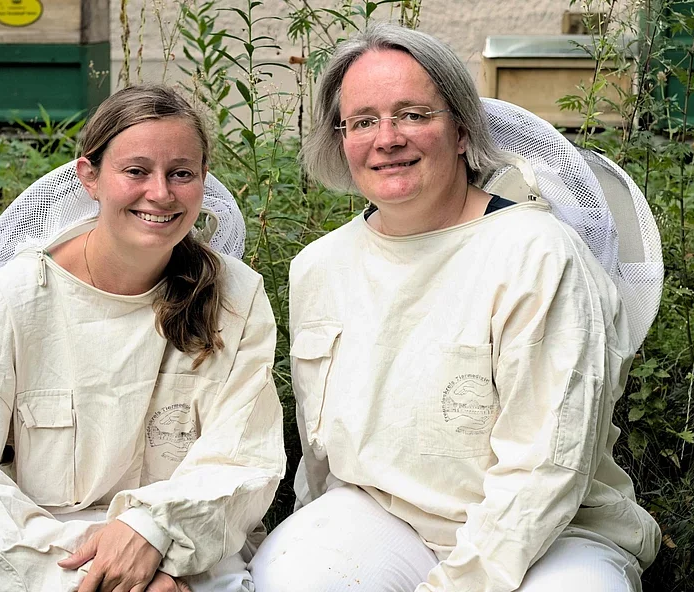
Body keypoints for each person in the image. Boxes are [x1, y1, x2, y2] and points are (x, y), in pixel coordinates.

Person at [249, 23, 660, 592]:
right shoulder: (320, 266)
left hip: (552, 530)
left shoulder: (537, 252)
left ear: (463, 130)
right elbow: (321, 450)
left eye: (414, 114)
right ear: (340, 139)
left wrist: (459, 584)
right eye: (363, 121)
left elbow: (548, 464)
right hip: (382, 514)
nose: (387, 138)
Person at [0, 85, 286, 592]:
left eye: (181, 173)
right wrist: (90, 577)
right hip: (35, 547)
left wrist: (152, 533)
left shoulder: (236, 296)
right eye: (136, 171)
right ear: (89, 176)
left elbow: (243, 459)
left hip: (184, 539)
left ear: (202, 180)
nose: (160, 192)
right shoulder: (18, 297)